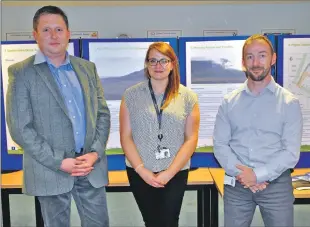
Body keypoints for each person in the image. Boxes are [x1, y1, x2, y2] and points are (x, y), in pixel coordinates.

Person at [6, 5, 110, 227]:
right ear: (35, 35)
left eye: (59, 29)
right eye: (46, 30)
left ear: (68, 33)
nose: (53, 36)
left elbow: (102, 114)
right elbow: (20, 128)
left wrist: (95, 153)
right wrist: (59, 161)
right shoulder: (21, 73)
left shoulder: (87, 69)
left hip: (89, 167)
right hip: (51, 170)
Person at [213, 34, 303, 227]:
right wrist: (245, 177)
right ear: (243, 62)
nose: (256, 62)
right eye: (250, 56)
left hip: (276, 186)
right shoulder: (229, 103)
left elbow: (290, 152)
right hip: (237, 185)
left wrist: (257, 175)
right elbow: (220, 145)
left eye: (262, 55)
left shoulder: (289, 103)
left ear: (273, 58)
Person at [119, 42, 200, 227]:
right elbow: (126, 136)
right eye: (153, 60)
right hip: (139, 171)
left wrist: (169, 173)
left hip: (175, 171)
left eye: (163, 60)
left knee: (169, 221)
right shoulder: (130, 95)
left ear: (172, 64)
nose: (158, 66)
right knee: (151, 221)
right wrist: (142, 170)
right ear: (146, 65)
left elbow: (191, 138)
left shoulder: (188, 97)